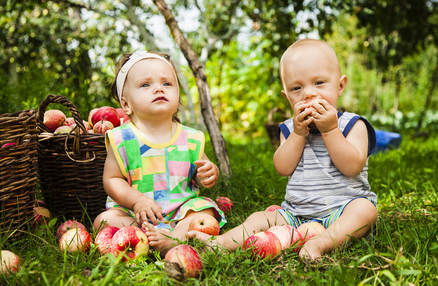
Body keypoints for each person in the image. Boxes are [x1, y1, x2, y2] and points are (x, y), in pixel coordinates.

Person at [188, 39, 378, 260]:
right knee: (259, 219)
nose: (308, 93)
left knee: (365, 211)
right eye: (297, 88)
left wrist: (330, 130)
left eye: (319, 83)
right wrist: (298, 133)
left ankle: (321, 243)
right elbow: (282, 167)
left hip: (343, 211)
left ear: (340, 85)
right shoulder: (289, 129)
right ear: (287, 96)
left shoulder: (353, 125)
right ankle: (219, 243)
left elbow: (353, 167)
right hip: (295, 215)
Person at [93, 51, 226, 256]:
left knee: (205, 209)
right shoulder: (121, 139)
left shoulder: (190, 138)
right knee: (104, 220)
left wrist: (208, 173)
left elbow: (200, 174)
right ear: (126, 104)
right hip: (135, 213)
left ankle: (175, 237)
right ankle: (143, 235)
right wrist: (137, 201)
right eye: (145, 85)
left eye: (167, 84)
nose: (158, 89)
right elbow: (111, 179)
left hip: (181, 210)